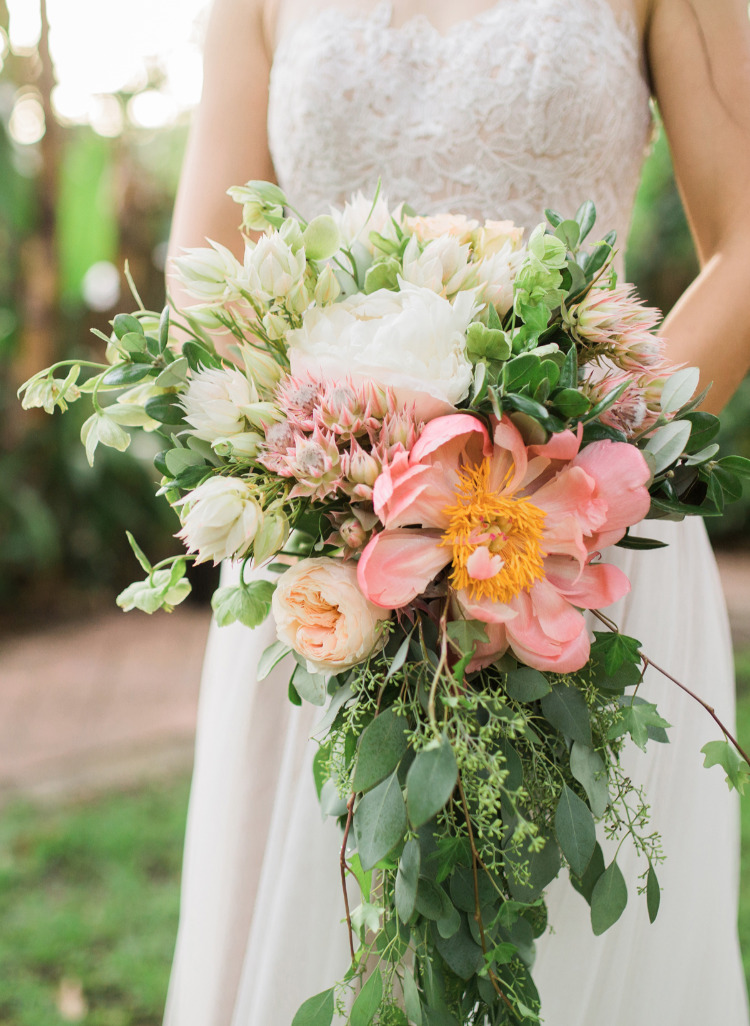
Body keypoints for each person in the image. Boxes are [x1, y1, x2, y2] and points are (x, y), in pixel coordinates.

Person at [163, 1, 750, 1023]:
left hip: (581, 548)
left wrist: (591, 465)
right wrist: (334, 480)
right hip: (332, 558)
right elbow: (200, 271)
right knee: (334, 939)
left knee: (573, 959)